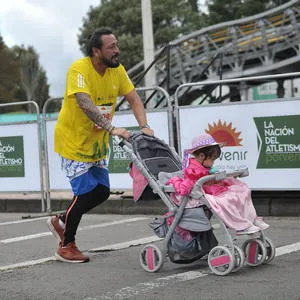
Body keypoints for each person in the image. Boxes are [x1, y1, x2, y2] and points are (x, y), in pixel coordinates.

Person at [47, 27, 154, 263]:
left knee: (102, 191)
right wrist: (112, 128)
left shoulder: (118, 72)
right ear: (96, 51)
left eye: (116, 45)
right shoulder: (79, 69)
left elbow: (134, 98)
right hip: (73, 142)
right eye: (111, 47)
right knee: (85, 192)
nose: (117, 50)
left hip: (96, 143)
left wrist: (144, 125)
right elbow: (85, 103)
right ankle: (66, 245)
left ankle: (61, 221)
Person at [167, 133, 269, 235]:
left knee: (242, 191)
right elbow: (184, 188)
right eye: (212, 159)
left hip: (212, 190)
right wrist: (180, 181)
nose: (213, 162)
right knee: (227, 200)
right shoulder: (192, 170)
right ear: (202, 156)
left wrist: (214, 176)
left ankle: (251, 218)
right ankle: (241, 225)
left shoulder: (205, 167)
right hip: (200, 196)